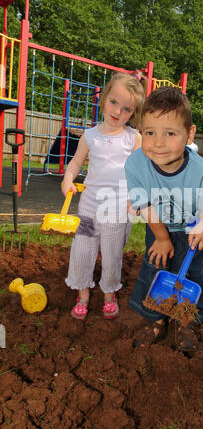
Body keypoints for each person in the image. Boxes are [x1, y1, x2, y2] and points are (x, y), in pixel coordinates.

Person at [125, 87, 203, 351]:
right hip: (158, 225)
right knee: (155, 269)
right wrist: (161, 238)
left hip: (191, 229)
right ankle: (156, 321)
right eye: (150, 132)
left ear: (189, 134)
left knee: (189, 274)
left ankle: (185, 323)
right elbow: (144, 205)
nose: (158, 142)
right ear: (140, 132)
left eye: (170, 133)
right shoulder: (135, 165)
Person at [62, 71, 148, 320]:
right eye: (113, 102)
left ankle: (109, 293)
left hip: (117, 209)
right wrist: (68, 180)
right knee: (82, 251)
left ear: (133, 114)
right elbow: (76, 163)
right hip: (89, 207)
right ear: (104, 98)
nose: (117, 112)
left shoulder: (134, 139)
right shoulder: (91, 136)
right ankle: (83, 293)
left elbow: (140, 173)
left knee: (112, 255)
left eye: (126, 109)